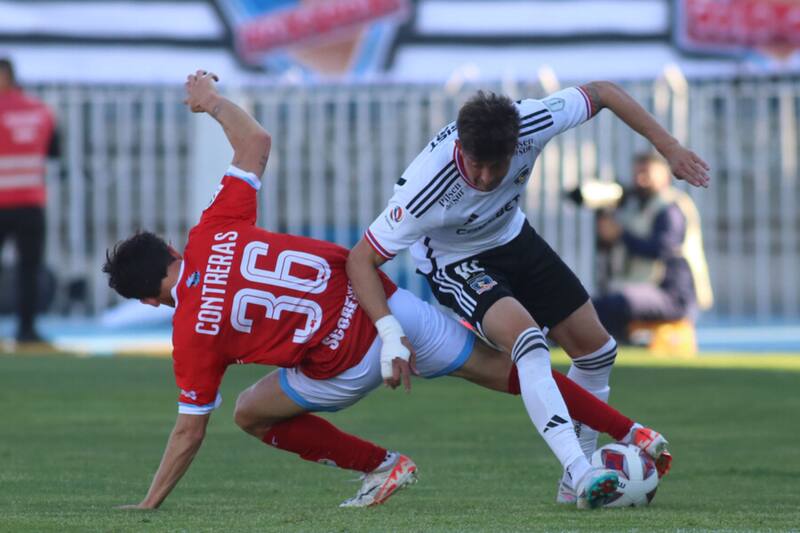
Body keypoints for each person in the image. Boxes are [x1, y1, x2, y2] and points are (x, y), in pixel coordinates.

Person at [103, 71, 669, 511]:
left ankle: (383, 464)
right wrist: (210, 101)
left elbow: (188, 430)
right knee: (516, 370)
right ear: (174, 251)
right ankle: (636, 434)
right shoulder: (214, 229)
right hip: (385, 303)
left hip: (347, 361)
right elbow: (255, 141)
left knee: (249, 414)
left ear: (150, 300)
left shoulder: (191, 331)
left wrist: (150, 502)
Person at [347, 83, 706, 502]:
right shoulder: (425, 189)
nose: (483, 178)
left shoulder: (532, 122)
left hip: (514, 238)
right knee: (529, 342)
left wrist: (670, 147)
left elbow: (604, 92)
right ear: (460, 144)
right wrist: (389, 333)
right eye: (475, 164)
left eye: (494, 167)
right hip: (457, 262)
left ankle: (574, 487)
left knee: (598, 351)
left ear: (515, 146)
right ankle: (580, 470)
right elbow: (360, 260)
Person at [592, 152, 713, 341]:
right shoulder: (636, 207)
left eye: (646, 174)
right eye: (637, 174)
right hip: (646, 287)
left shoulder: (671, 207)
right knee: (598, 305)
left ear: (665, 175)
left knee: (616, 304)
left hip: (673, 294)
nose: (640, 180)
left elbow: (662, 248)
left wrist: (620, 235)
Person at [0, 57, 59, 344]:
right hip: (30, 201)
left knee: (28, 269)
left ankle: (26, 329)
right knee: (29, 268)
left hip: (7, 202)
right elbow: (54, 151)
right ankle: (27, 330)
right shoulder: (41, 111)